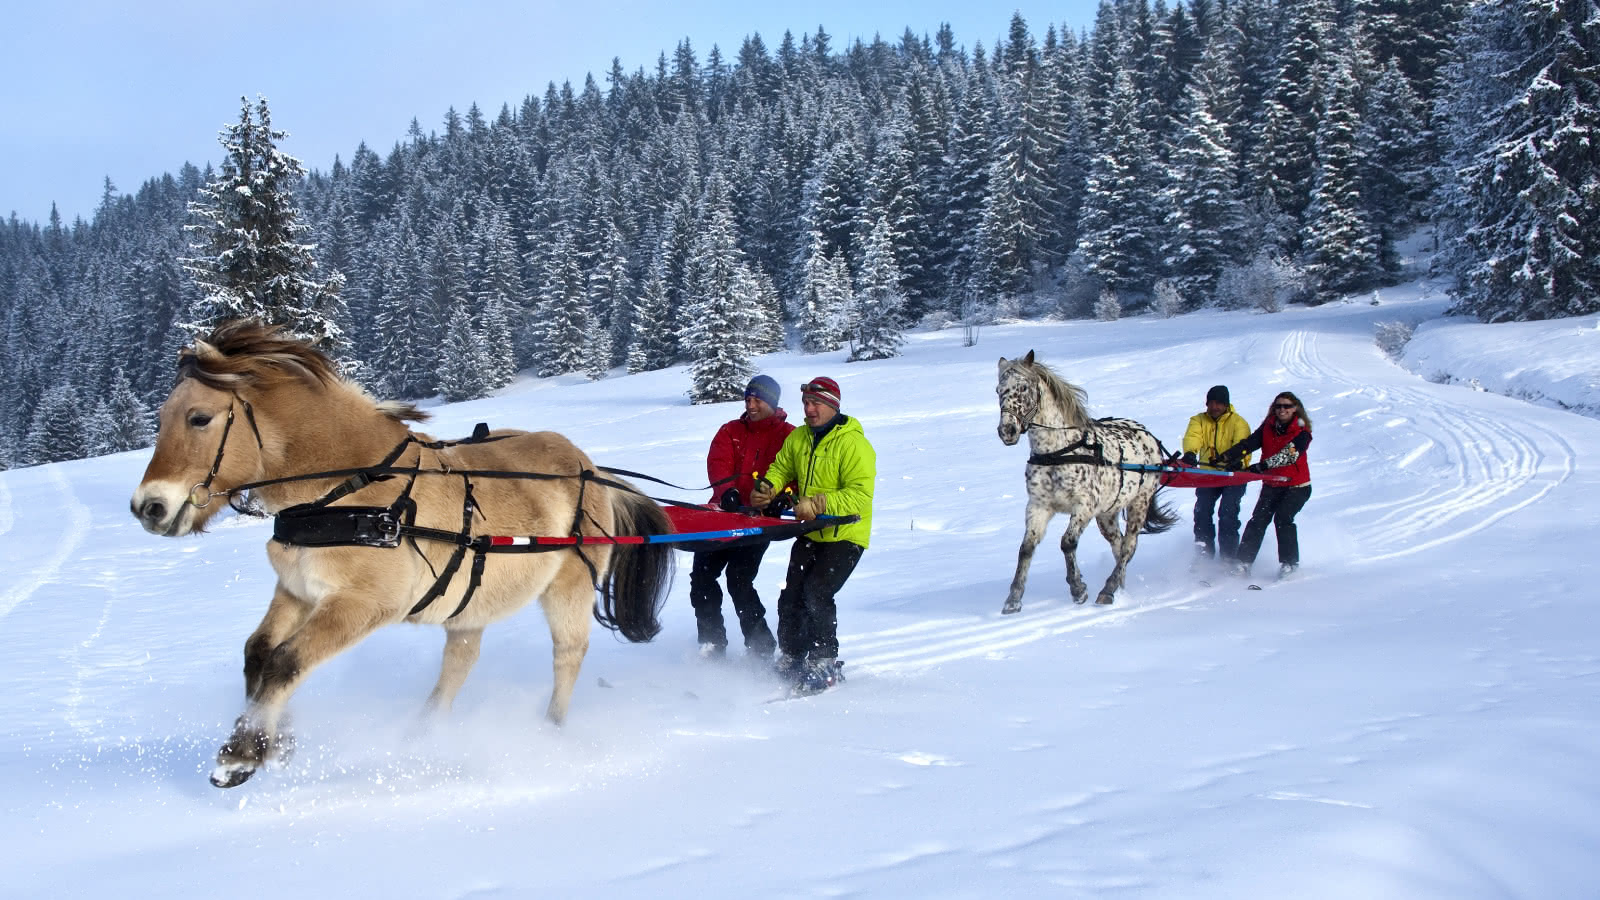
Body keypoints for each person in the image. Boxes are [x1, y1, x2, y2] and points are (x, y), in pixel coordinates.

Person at [750, 376, 875, 695]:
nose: (808, 409)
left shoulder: (853, 443)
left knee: (817, 592)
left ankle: (824, 660)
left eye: (815, 403)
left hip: (847, 534)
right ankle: (792, 655)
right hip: (811, 532)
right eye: (805, 403)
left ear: (832, 406)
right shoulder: (800, 438)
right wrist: (767, 488)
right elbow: (781, 468)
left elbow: (860, 494)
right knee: (792, 593)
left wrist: (818, 503)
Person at [689, 374, 794, 660]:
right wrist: (726, 492)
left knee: (739, 580)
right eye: (748, 398)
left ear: (772, 402)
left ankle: (760, 647)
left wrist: (782, 498)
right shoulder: (730, 430)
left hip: (758, 521)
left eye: (757, 399)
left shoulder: (789, 436)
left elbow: (795, 474)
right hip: (723, 515)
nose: (751, 404)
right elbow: (718, 463)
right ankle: (711, 644)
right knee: (702, 578)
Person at [1220, 391, 1313, 580]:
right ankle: (1243, 563)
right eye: (1278, 406)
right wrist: (1227, 456)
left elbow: (1289, 455)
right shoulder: (1268, 427)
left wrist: (1262, 466)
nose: (1282, 410)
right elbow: (1250, 443)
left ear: (1295, 409)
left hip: (1297, 486)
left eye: (1286, 406)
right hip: (1272, 485)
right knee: (1258, 520)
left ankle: (1289, 564)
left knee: (1283, 518)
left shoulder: (1302, 432)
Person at [1180, 385, 1252, 563]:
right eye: (1211, 403)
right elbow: (1193, 436)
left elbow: (1244, 446)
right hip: (1208, 475)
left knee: (1227, 513)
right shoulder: (1199, 420)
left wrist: (1236, 462)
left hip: (1233, 476)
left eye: (1219, 403)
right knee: (1202, 511)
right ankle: (1204, 556)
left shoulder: (1238, 423)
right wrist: (1190, 453)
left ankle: (1228, 556)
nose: (1214, 407)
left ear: (1226, 404)